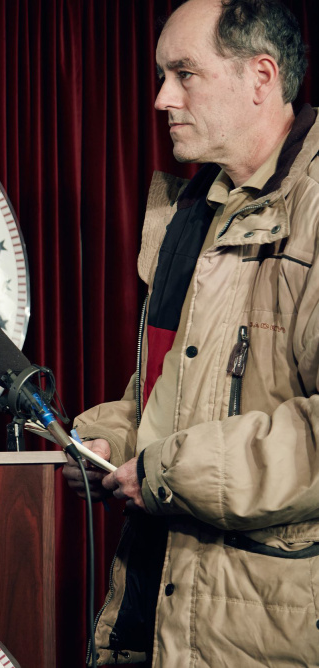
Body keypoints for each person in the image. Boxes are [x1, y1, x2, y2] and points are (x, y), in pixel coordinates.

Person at [62, 0, 319, 665]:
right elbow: (170, 388)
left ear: (261, 78)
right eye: (160, 75)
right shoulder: (192, 210)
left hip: (264, 621)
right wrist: (111, 439)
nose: (160, 98)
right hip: (152, 599)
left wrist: (167, 470)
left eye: (183, 73)